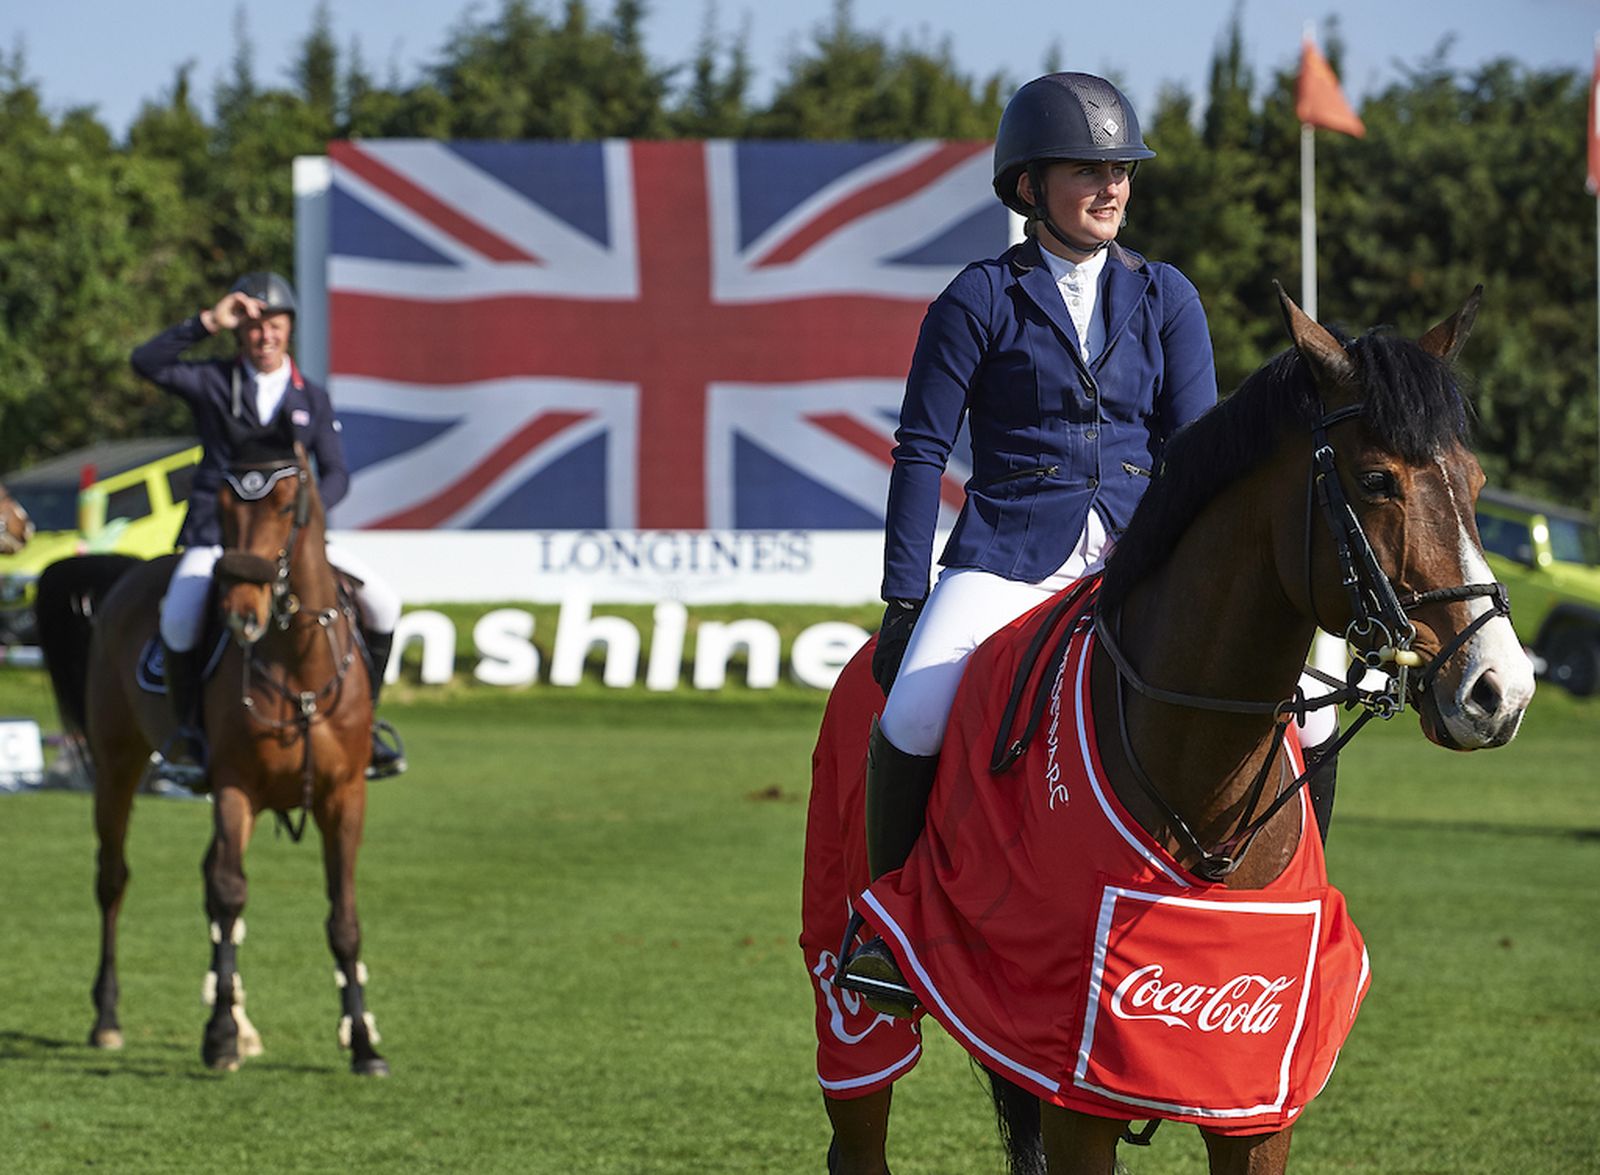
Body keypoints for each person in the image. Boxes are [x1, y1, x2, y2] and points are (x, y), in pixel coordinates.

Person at [837, 72, 1226, 1017]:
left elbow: (1199, 449)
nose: (1113, 184)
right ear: (1029, 185)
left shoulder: (1167, 294)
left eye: (1122, 168)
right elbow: (922, 447)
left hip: (1138, 555)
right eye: (1088, 168)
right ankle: (893, 933)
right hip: (1011, 550)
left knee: (1295, 714)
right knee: (914, 717)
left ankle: (1259, 919)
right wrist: (902, 595)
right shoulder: (978, 298)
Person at [131, 271, 406, 785]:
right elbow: (145, 362)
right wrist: (208, 321)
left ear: (289, 329)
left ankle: (364, 727)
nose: (265, 336)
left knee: (384, 603)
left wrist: (307, 515)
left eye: (274, 324)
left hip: (295, 540)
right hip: (217, 536)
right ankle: (192, 736)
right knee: (179, 619)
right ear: (241, 331)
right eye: (254, 326)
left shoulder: (313, 398)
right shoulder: (213, 382)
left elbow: (338, 471)